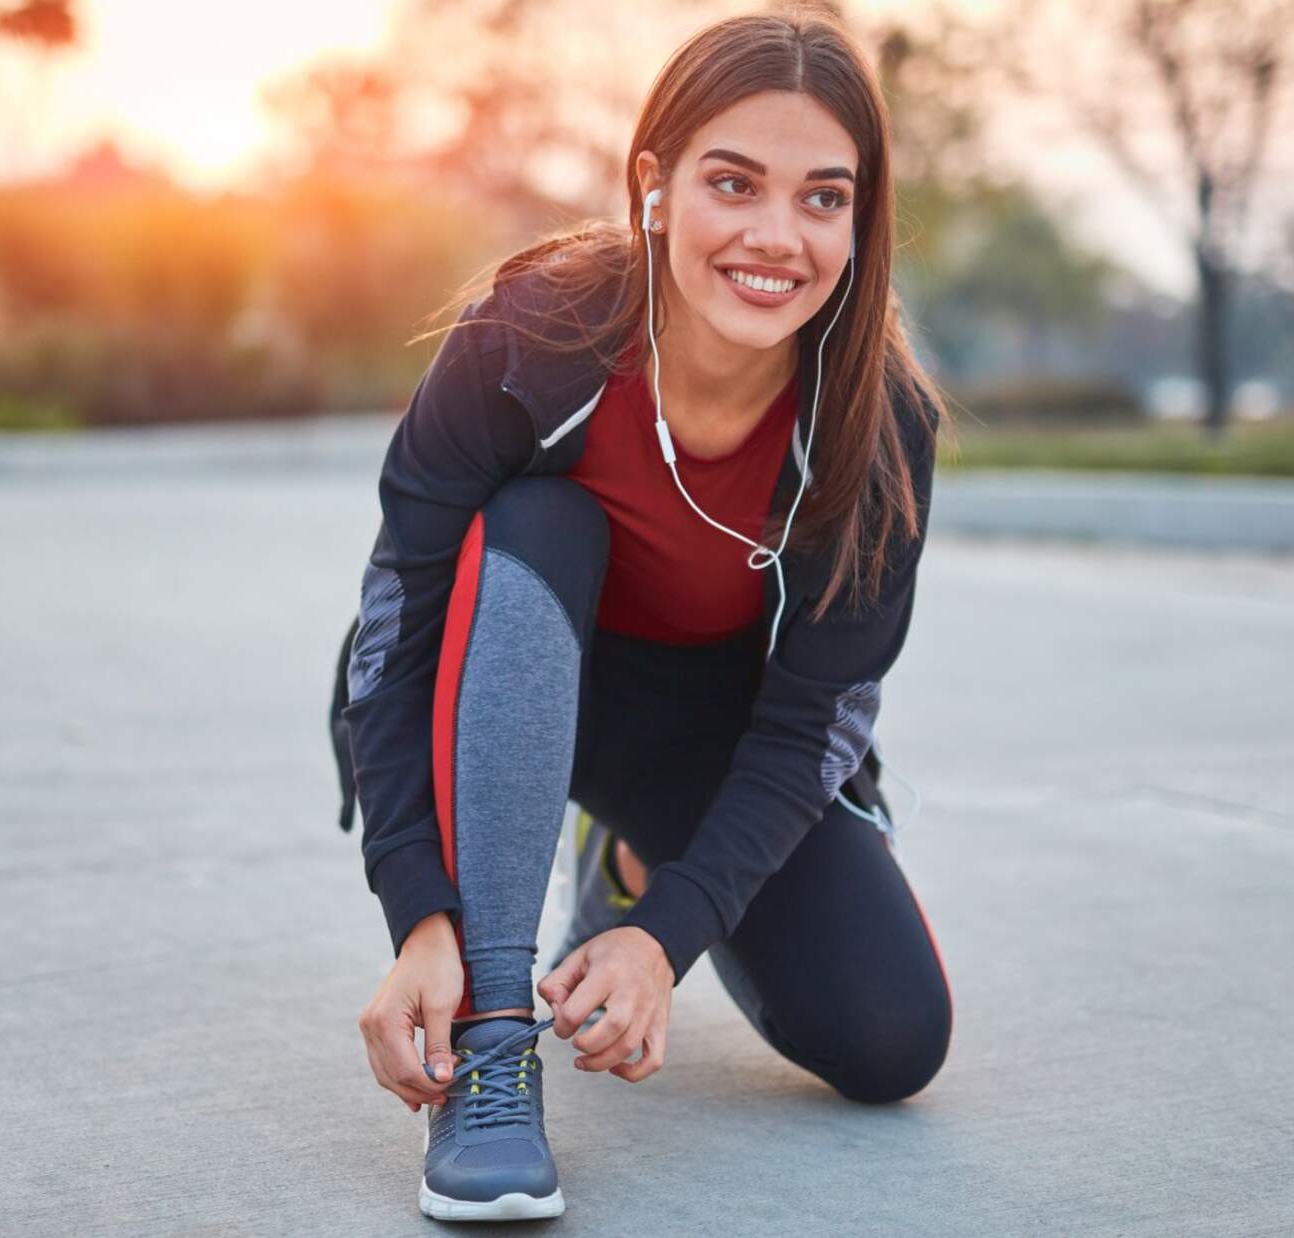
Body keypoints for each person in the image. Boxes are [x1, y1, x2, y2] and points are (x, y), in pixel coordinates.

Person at [328, 11, 953, 1222]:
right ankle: (495, 1041)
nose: (777, 237)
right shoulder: (529, 342)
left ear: (861, 220)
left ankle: (619, 860)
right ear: (655, 186)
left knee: (892, 1038)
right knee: (543, 522)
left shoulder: (880, 429)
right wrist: (418, 912)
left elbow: (815, 718)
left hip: (689, 729)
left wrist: (664, 933)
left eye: (824, 198)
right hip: (499, 677)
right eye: (735, 183)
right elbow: (394, 631)